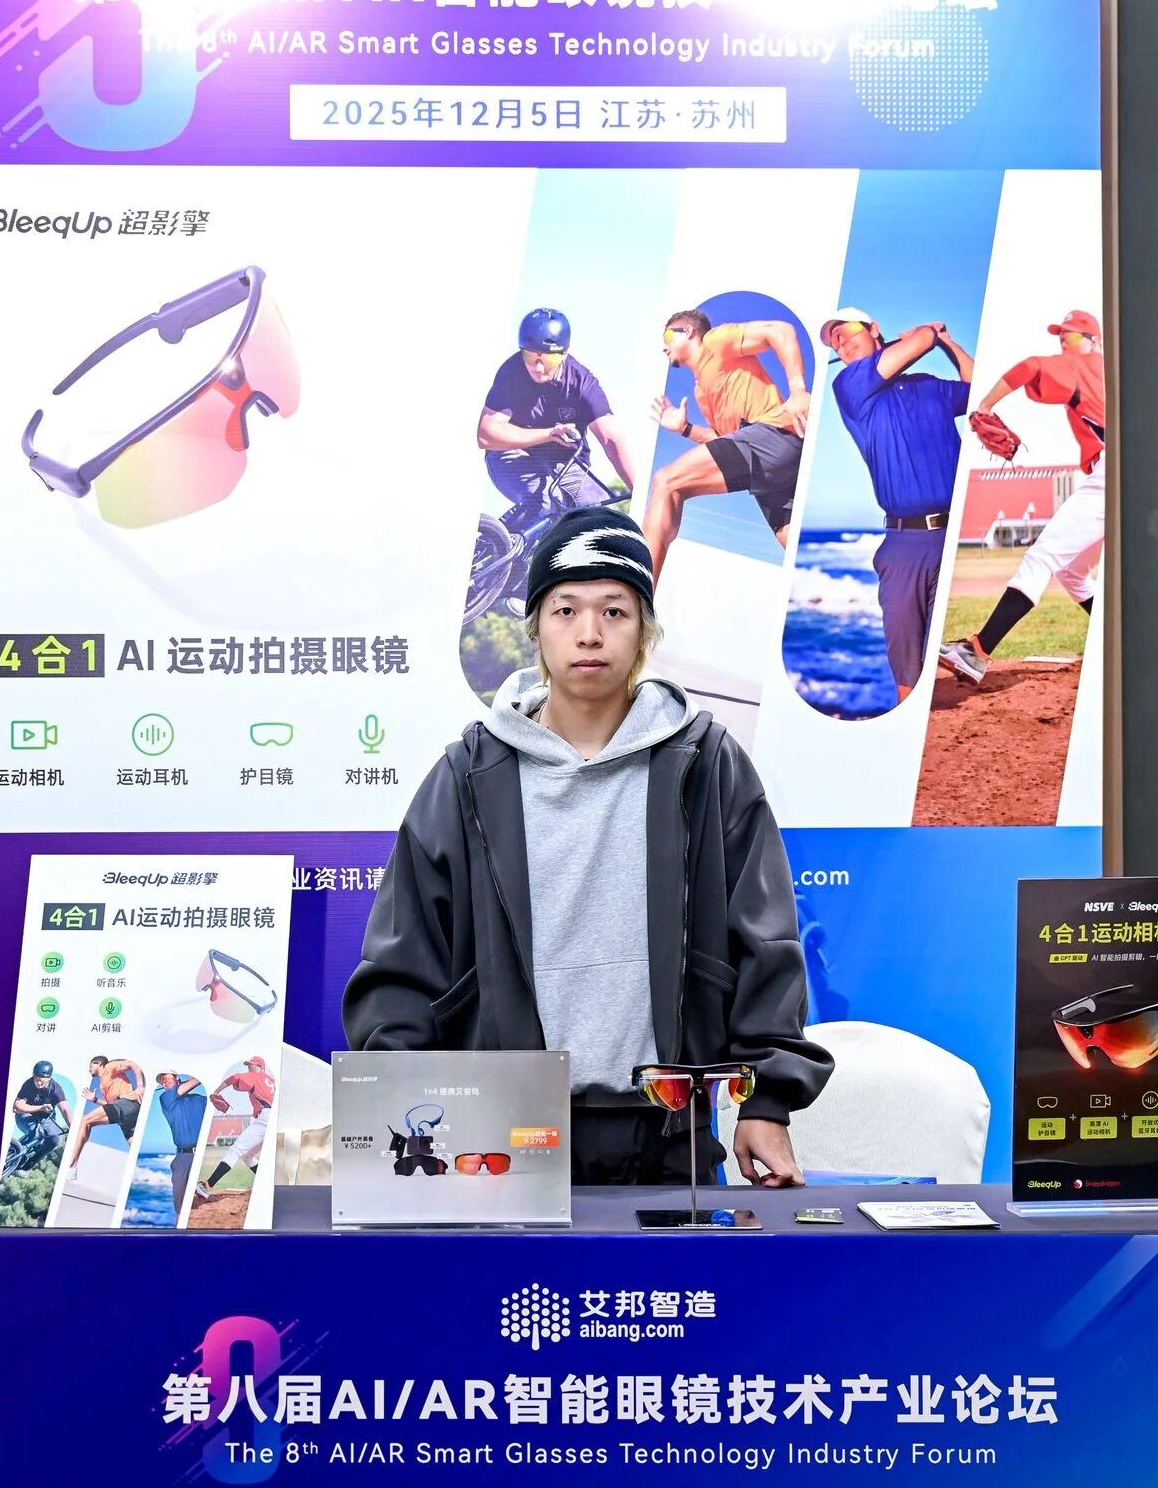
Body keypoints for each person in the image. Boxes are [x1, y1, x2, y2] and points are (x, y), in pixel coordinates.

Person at [345, 505, 834, 1188]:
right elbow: (403, 962)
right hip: (495, 1137)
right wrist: (407, 1105)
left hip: (670, 1131)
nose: (589, 633)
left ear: (644, 631)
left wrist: (767, 1100)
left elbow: (765, 937)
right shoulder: (469, 776)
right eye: (566, 610)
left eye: (614, 611)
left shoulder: (704, 763)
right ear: (536, 630)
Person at [938, 309, 1105, 687]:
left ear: (1094, 341)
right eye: (1061, 338)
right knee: (1073, 573)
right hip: (1142, 474)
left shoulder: (1086, 365)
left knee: (1041, 558)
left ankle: (976, 651)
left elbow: (1030, 367)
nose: (1065, 344)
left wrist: (985, 405)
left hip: (1113, 473)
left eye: (1073, 337)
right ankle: (1119, 642)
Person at [820, 308, 976, 700]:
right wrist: (929, 333)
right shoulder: (849, 384)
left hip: (954, 533)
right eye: (835, 341)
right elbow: (922, 339)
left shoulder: (927, 386)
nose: (842, 343)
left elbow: (976, 389)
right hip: (905, 544)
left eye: (848, 331)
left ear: (874, 329)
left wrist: (948, 342)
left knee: (937, 646)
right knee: (909, 673)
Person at [644, 309, 812, 582]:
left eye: (667, 336)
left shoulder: (715, 341)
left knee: (666, 482)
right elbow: (727, 448)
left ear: (689, 331)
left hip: (774, 435)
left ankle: (638, 592)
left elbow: (780, 330)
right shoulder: (701, 391)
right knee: (794, 545)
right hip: (766, 471)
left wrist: (798, 390)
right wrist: (685, 429)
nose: (664, 347)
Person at [477, 307, 634, 516]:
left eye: (549, 360)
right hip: (511, 455)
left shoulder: (581, 382)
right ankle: (502, 536)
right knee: (545, 503)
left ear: (564, 353)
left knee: (600, 515)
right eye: (530, 356)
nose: (538, 368)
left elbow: (611, 438)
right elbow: (486, 435)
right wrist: (549, 434)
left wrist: (641, 493)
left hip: (565, 463)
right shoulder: (511, 373)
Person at [200, 1055, 275, 1194]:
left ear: (260, 1066)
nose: (249, 1067)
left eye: (251, 1064)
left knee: (235, 1150)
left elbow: (234, 1078)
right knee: (248, 1156)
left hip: (265, 1119)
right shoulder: (272, 1081)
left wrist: (216, 1091)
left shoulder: (255, 1076)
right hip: (273, 1119)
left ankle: (207, 1185)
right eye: (248, 1065)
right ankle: (268, 1186)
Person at [66, 1055, 142, 1175]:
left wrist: (140, 1086)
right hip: (124, 1116)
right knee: (134, 1145)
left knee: (86, 1120)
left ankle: (71, 1166)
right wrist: (95, 1099)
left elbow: (133, 1065)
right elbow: (110, 1107)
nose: (89, 1069)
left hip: (128, 1103)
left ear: (99, 1063)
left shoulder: (109, 1067)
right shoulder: (102, 1086)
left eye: (91, 1065)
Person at [153, 1071, 207, 1215]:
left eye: (166, 1077)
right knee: (181, 1209)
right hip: (184, 1157)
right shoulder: (165, 1098)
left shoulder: (200, 1099)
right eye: (161, 1081)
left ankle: (199, 1189)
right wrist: (192, 1080)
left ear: (177, 1077)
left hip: (203, 1154)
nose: (164, 1082)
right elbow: (196, 1081)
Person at [10, 1060, 68, 1147]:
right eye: (36, 1079)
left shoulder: (56, 1089)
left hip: (46, 1119)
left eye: (42, 1080)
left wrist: (74, 1130)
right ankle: (16, 1150)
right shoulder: (28, 1084)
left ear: (49, 1078)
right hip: (25, 1115)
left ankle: (36, 1156)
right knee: (36, 1133)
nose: (38, 1083)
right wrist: (40, 1107)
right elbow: (17, 1106)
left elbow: (65, 1110)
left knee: (55, 1140)